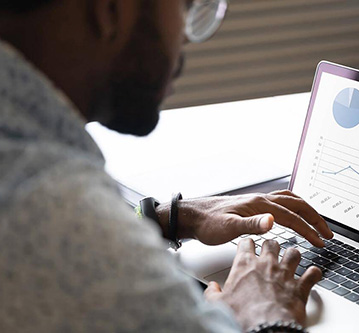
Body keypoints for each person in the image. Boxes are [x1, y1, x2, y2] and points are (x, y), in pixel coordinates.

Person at [0, 1, 333, 332]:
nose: (185, 38)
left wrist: (168, 217)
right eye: (184, 6)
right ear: (109, 10)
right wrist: (267, 319)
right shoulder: (54, 205)